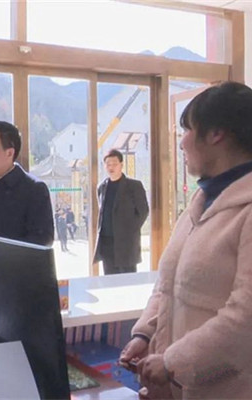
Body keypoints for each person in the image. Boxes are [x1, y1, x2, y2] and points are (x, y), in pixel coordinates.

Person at [120, 81, 252, 399]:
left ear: (216, 133)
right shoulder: (201, 200)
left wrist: (172, 362)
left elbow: (246, 317)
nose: (182, 143)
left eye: (187, 130)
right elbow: (168, 284)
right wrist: (144, 334)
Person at [0, 121, 54, 246]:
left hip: (17, 259)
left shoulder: (34, 189)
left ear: (10, 153)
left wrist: (6, 252)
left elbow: (43, 239)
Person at [93, 148, 149, 274]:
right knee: (109, 279)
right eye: (108, 164)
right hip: (106, 243)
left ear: (121, 165)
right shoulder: (102, 187)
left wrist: (129, 230)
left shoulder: (133, 186)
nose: (111, 167)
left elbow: (143, 211)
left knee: (128, 279)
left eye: (114, 164)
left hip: (126, 243)